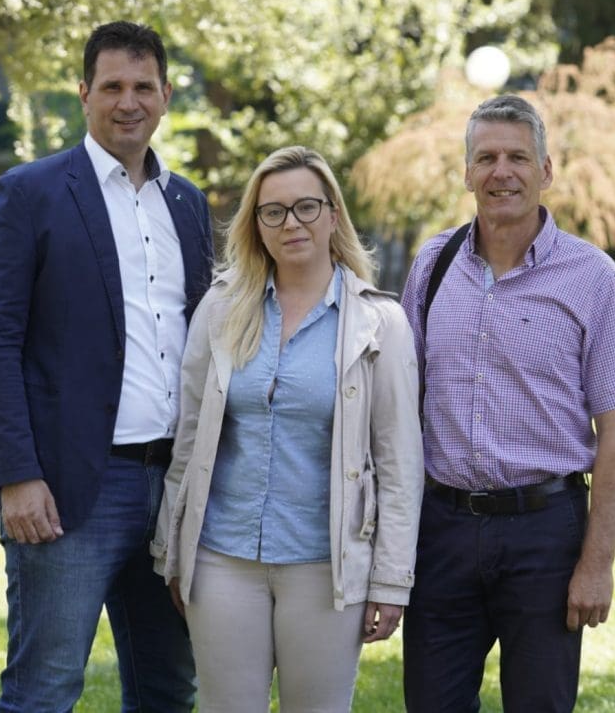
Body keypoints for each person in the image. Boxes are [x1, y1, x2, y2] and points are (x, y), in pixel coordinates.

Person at [0, 21, 212, 712]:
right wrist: (17, 474)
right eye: (112, 87)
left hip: (173, 487)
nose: (128, 102)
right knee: (43, 692)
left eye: (143, 87)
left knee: (169, 691)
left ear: (166, 95)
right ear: (84, 94)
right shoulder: (29, 193)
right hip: (70, 488)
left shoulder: (187, 204)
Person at [400, 95, 615, 712]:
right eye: (486, 158)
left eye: (518, 157)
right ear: (467, 173)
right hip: (442, 530)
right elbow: (399, 404)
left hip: (545, 534)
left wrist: (597, 564)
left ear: (545, 171)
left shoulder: (592, 277)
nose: (502, 172)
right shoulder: (432, 266)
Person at [149, 146, 423, 713]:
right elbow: (190, 439)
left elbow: (400, 463)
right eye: (272, 212)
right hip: (221, 558)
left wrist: (390, 581)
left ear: (333, 214)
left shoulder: (378, 322)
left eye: (306, 207)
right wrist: (173, 549)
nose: (291, 223)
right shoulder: (221, 309)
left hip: (325, 568)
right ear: (256, 224)